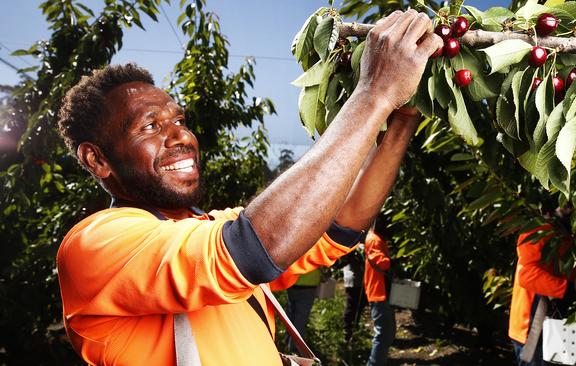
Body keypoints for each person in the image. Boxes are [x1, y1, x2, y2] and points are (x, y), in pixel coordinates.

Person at [55, 10, 442, 365]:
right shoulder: (95, 245)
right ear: (97, 160)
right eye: (151, 126)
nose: (181, 137)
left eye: (179, 120)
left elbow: (340, 223)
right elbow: (253, 248)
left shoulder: (207, 226)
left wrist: (403, 116)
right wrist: (374, 93)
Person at [508, 216, 576, 366]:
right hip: (532, 328)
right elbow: (526, 275)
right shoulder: (538, 229)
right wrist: (565, 288)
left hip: (549, 324)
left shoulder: (566, 230)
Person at [364, 215, 395, 366]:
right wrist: (395, 260)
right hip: (378, 291)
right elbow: (382, 263)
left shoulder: (374, 238)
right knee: (383, 333)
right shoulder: (374, 239)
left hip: (378, 290)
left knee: (386, 332)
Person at [285, 269, 321, 352]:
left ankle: (288, 341)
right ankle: (294, 348)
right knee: (301, 318)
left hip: (292, 281)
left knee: (291, 313)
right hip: (309, 283)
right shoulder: (313, 254)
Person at [342, 246, 367, 344]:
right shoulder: (352, 245)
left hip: (360, 280)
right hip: (353, 280)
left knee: (359, 306)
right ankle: (347, 333)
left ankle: (354, 331)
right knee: (351, 307)